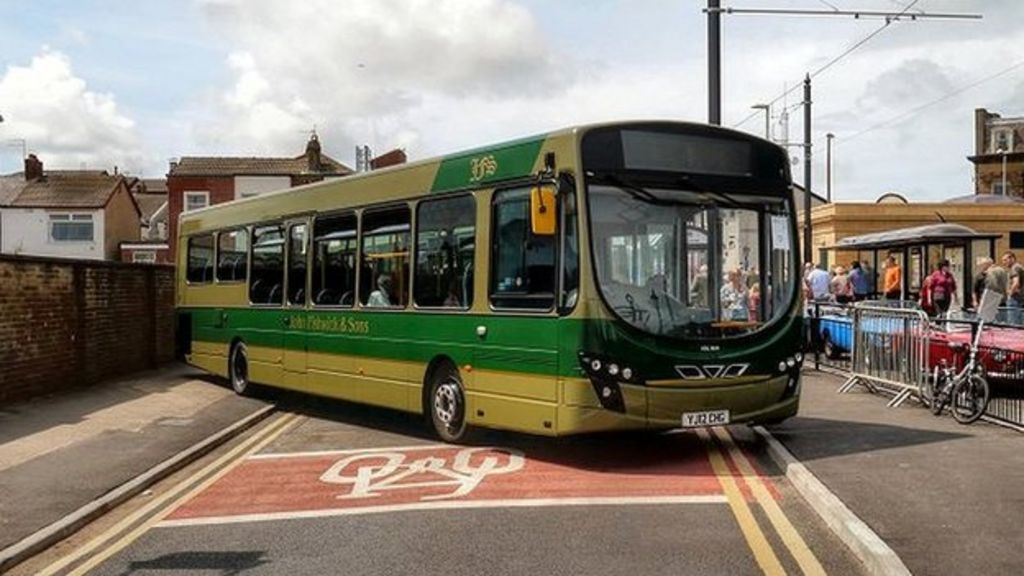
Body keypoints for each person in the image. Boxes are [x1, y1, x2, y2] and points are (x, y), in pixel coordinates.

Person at [1002, 251, 1024, 324]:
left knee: (1013, 323)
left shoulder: (1014, 268)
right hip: (1019, 298)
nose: (1004, 263)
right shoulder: (1019, 267)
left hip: (1015, 298)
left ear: (1012, 259)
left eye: (1005, 260)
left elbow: (1016, 282)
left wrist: (1010, 293)